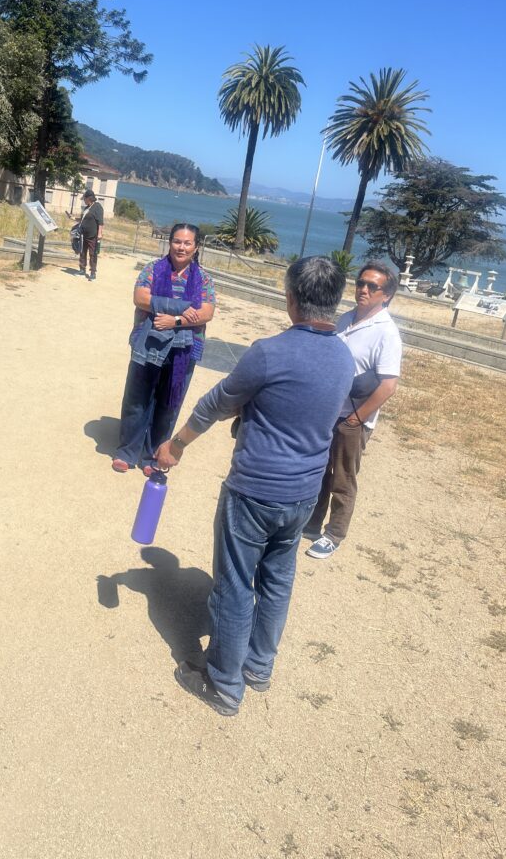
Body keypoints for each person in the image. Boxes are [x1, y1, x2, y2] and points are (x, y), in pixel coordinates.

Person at [153, 256, 354, 717]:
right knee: (278, 580)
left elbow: (217, 402)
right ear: (334, 301)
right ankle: (258, 666)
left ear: (290, 299)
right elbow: (331, 412)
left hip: (255, 490)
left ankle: (223, 683)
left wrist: (177, 445)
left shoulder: (270, 351)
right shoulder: (344, 356)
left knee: (234, 585)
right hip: (303, 495)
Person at [303, 260, 402, 559]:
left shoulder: (386, 333)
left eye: (373, 286)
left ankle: (334, 534)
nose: (364, 289)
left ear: (386, 295)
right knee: (319, 469)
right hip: (329, 410)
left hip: (353, 418)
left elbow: (388, 385)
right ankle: (311, 523)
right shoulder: (346, 318)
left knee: (343, 478)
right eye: (361, 283)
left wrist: (356, 420)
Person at [112, 223, 216, 475]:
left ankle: (152, 454)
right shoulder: (153, 269)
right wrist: (180, 307)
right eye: (177, 241)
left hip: (183, 350)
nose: (181, 247)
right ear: (169, 243)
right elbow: (140, 297)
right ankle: (127, 451)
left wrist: (175, 321)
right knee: (137, 398)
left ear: (196, 247)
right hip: (148, 343)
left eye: (187, 243)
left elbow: (206, 312)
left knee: (169, 402)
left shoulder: (203, 279)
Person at [77, 189, 104, 280]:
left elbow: (100, 222)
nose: (83, 200)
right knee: (82, 252)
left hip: (93, 236)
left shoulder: (97, 207)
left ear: (89, 198)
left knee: (93, 254)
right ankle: (82, 269)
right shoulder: (86, 208)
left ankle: (93, 273)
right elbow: (82, 220)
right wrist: (73, 218)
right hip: (83, 235)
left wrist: (100, 233)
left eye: (84, 198)